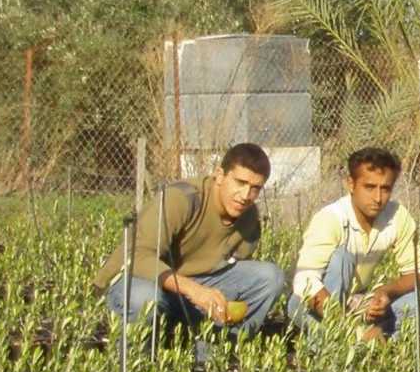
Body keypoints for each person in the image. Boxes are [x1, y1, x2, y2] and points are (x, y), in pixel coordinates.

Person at [97, 142, 286, 335]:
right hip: (142, 281)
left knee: (270, 277)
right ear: (219, 175)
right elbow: (136, 257)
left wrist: (214, 300)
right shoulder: (183, 199)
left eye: (255, 188)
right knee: (145, 299)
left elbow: (233, 271)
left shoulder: (249, 218)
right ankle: (141, 360)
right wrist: (194, 291)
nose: (246, 195)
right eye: (240, 182)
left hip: (190, 291)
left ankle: (222, 349)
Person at [290, 146, 420, 340]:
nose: (378, 198)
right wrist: (343, 322)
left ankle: (370, 339)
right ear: (351, 184)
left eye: (385, 188)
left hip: (358, 302)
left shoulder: (397, 216)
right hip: (317, 302)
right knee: (340, 258)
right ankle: (341, 341)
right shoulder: (331, 218)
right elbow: (305, 282)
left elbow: (418, 271)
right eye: (369, 187)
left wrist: (384, 292)